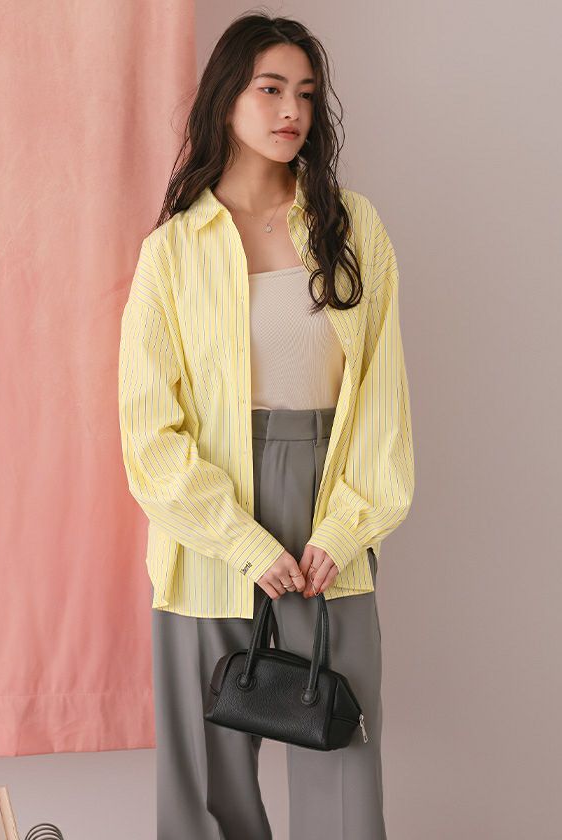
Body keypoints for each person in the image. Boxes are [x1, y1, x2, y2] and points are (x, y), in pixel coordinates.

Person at [118, 12, 414, 840]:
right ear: (226, 99)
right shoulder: (173, 251)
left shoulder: (352, 227)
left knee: (342, 756)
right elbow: (149, 432)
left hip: (329, 506)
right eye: (271, 88)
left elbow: (383, 403)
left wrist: (344, 530)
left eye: (307, 94)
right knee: (207, 780)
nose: (292, 111)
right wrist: (243, 542)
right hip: (206, 521)